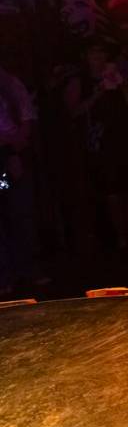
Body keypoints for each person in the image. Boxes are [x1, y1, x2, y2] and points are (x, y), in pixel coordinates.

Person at [63, 37, 128, 255]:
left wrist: (123, 84)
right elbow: (73, 111)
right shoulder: (79, 81)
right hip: (100, 143)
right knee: (112, 193)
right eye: (93, 52)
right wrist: (97, 93)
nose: (98, 57)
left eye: (101, 52)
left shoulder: (120, 77)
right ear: (86, 56)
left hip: (125, 138)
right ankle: (121, 236)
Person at [0, 61, 40, 296]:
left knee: (19, 210)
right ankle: (5, 274)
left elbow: (26, 116)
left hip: (10, 156)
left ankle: (27, 268)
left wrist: (14, 150)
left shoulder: (10, 83)